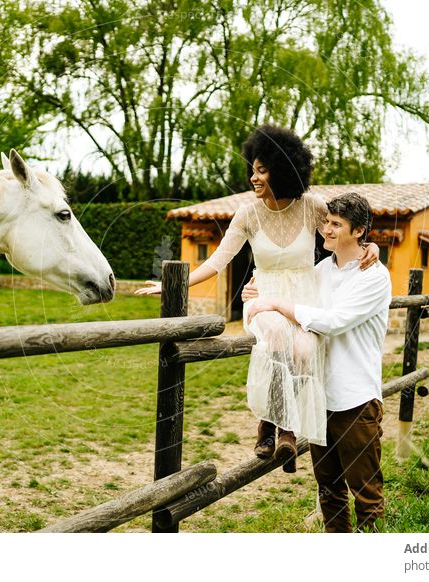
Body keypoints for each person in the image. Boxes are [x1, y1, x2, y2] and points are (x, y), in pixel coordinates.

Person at [137, 125, 378, 472]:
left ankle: (278, 429)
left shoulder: (310, 206)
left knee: (305, 350)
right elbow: (218, 261)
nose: (253, 177)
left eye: (262, 170)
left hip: (303, 298)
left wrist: (372, 246)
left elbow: (346, 229)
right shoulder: (247, 214)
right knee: (278, 336)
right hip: (262, 295)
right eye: (253, 168)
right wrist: (173, 284)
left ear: (281, 170)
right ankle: (280, 430)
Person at [244, 192, 391, 532]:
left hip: (355, 401)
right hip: (319, 398)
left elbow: (333, 321)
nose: (326, 229)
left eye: (336, 224)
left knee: (366, 495)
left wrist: (279, 304)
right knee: (330, 492)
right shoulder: (320, 270)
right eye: (326, 221)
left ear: (359, 232)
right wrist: (258, 293)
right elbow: (287, 289)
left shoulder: (374, 276)